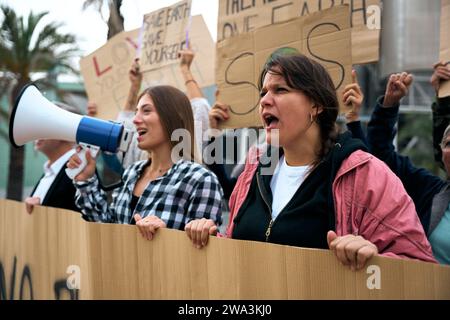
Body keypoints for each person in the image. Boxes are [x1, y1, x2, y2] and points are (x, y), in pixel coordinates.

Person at [185, 53, 436, 270]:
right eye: (263, 93)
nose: (264, 100)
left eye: (280, 90)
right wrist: (209, 238)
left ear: (316, 105)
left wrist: (375, 258)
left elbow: (418, 264)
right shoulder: (254, 170)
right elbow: (239, 245)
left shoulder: (364, 173)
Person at [68, 85, 224, 240]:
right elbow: (109, 230)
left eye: (146, 111)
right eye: (136, 112)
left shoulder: (200, 179)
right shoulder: (131, 172)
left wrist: (165, 236)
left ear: (175, 116)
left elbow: (201, 253)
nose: (135, 120)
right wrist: (86, 180)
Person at [24, 102, 82, 214]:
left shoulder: (80, 170)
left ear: (67, 131)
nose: (37, 131)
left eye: (45, 125)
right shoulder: (50, 171)